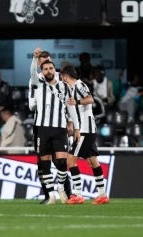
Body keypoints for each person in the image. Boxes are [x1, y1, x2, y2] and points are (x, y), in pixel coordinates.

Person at [30, 48, 81, 205]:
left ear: (55, 69)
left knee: (61, 163)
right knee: (44, 163)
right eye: (45, 68)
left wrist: (77, 127)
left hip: (60, 128)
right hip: (42, 128)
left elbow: (71, 107)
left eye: (51, 68)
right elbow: (32, 73)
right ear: (42, 71)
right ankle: (50, 196)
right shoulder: (37, 83)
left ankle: (60, 187)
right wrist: (34, 58)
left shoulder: (64, 86)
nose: (49, 70)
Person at [60, 65, 110, 205]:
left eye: (61, 77)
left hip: (84, 130)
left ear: (64, 76)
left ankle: (78, 195)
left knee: (70, 161)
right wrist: (70, 122)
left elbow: (90, 99)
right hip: (86, 129)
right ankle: (102, 195)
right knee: (93, 162)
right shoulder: (71, 89)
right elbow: (74, 110)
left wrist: (77, 101)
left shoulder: (79, 85)